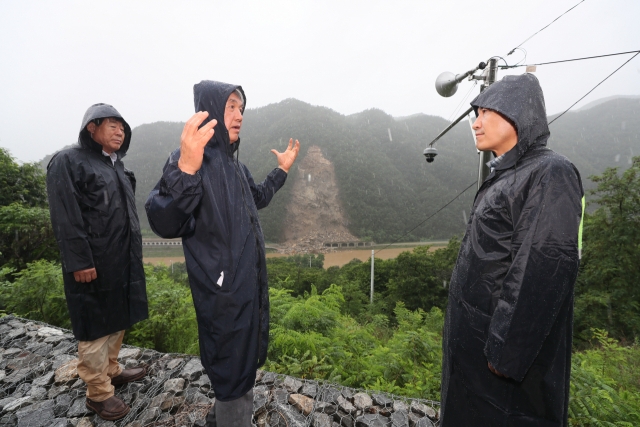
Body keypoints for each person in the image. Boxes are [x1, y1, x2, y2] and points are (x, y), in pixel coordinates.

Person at [145, 81, 300, 426]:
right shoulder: (189, 161)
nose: (239, 115)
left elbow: (257, 197)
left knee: (240, 363)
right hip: (223, 293)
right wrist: (185, 169)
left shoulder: (235, 167)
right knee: (233, 372)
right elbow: (163, 219)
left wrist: (282, 170)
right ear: (210, 112)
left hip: (246, 286)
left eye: (241, 108)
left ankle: (219, 419)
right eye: (230, 106)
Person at [440, 74, 584, 426]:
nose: (475, 123)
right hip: (475, 353)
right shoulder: (507, 175)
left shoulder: (551, 172)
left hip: (502, 370)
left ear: (517, 113)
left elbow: (544, 266)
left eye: (486, 112)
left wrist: (506, 353)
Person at [47, 103, 148, 421]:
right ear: (92, 128)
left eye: (123, 127)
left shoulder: (117, 167)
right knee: (94, 328)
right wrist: (79, 260)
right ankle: (98, 395)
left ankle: (112, 371)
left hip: (121, 260)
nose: (119, 131)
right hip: (90, 263)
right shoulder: (69, 161)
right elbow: (65, 215)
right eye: (112, 125)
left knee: (117, 320)